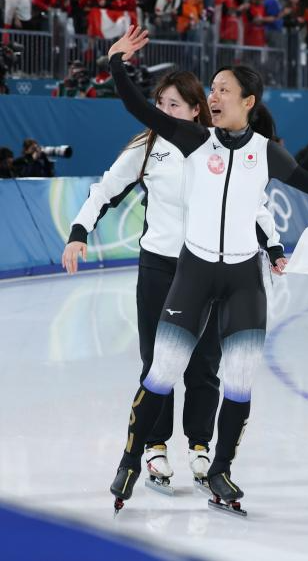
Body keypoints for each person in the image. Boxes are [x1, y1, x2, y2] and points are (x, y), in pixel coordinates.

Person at [104, 26, 308, 515]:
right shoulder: (193, 139)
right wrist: (116, 62)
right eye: (212, 89)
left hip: (244, 280)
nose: (213, 96)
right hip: (194, 273)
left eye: (222, 89)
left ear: (247, 101)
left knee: (239, 380)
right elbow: (140, 109)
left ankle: (220, 469)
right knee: (161, 372)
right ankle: (130, 461)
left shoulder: (265, 153)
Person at [61, 72, 283, 496]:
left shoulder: (218, 147)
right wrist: (78, 232)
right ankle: (154, 445)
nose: (163, 112)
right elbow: (104, 190)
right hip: (160, 269)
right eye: (159, 103)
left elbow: (253, 204)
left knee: (204, 363)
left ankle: (200, 445)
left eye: (173, 105)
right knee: (157, 363)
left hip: (207, 267)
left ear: (196, 110)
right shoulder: (145, 148)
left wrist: (272, 246)